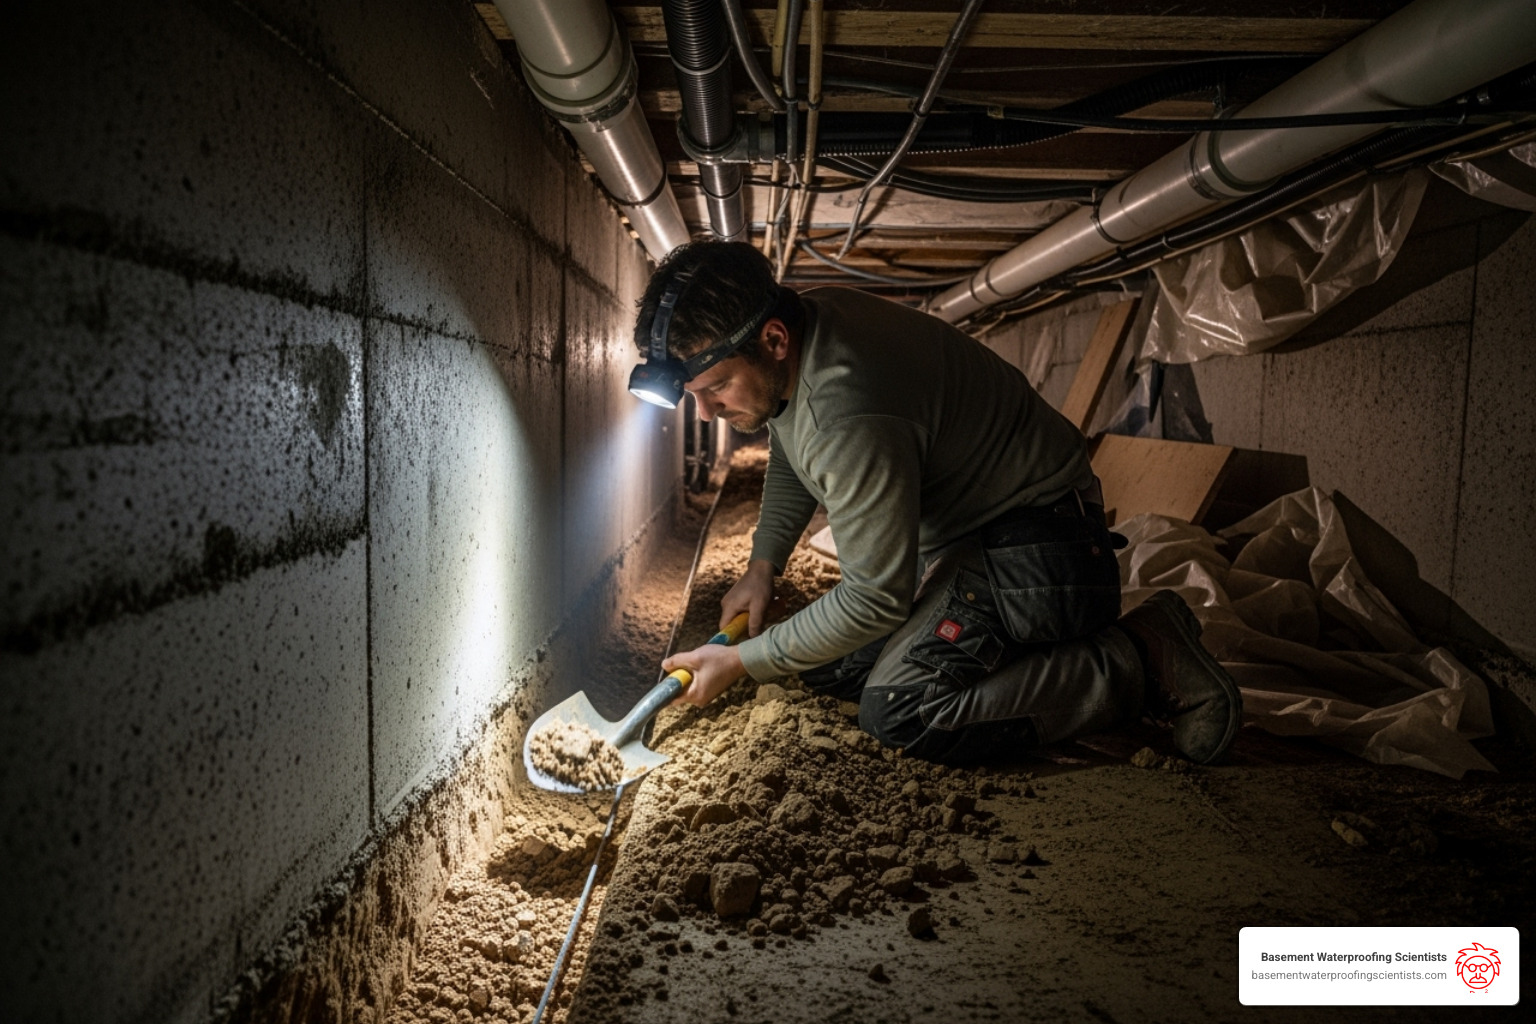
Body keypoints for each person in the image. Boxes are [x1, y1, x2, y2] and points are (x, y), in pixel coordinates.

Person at [634, 241, 1241, 764]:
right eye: (694, 396)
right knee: (818, 662)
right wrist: (762, 565)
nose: (707, 412)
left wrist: (741, 664)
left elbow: (874, 597)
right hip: (975, 536)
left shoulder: (849, 408)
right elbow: (793, 444)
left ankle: (1140, 657)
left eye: (713, 390)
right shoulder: (806, 325)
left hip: (1041, 548)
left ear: (772, 339)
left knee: (902, 710)